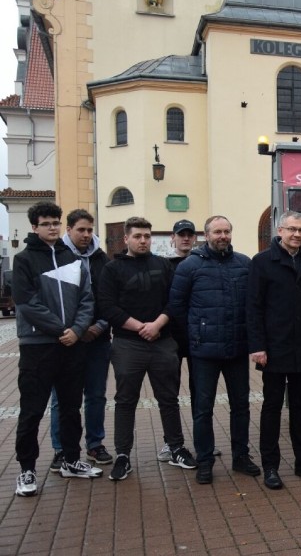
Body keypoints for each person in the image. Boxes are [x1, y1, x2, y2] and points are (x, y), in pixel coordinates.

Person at [13, 202, 101, 496]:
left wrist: (76, 331)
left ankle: (72, 460)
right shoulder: (24, 259)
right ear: (34, 227)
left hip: (71, 346)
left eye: (55, 222)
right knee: (32, 411)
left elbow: (87, 298)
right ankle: (26, 470)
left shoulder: (72, 259)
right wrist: (60, 329)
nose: (52, 227)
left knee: (70, 408)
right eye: (46, 223)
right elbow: (26, 303)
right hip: (38, 346)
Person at [99, 217, 197, 481]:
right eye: (138, 236)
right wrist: (140, 327)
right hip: (127, 343)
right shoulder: (112, 269)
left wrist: (157, 325)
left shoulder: (163, 265)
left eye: (147, 236)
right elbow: (108, 307)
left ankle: (176, 447)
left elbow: (174, 301)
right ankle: (123, 455)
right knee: (125, 400)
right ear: (126, 239)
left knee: (168, 399)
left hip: (162, 342)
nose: (143, 240)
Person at [169, 216, 260, 485]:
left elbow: (254, 306)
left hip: (236, 349)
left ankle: (241, 457)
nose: (223, 236)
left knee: (241, 407)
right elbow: (177, 307)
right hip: (204, 352)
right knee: (202, 409)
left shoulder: (244, 263)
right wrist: (195, 336)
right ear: (206, 235)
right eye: (217, 231)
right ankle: (205, 461)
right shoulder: (190, 266)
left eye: (227, 231)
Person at [248, 212, 301, 489]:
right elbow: (254, 308)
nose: (297, 234)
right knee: (271, 408)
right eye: (292, 229)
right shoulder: (262, 262)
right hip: (273, 348)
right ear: (280, 230)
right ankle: (270, 466)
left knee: (299, 406)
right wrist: (257, 346)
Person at [47, 209, 113, 472]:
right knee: (60, 398)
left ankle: (95, 444)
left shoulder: (102, 259)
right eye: (81, 230)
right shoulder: (55, 257)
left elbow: (111, 299)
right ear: (69, 230)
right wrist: (72, 330)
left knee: (96, 395)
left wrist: (98, 326)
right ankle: (61, 449)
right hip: (66, 339)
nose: (86, 235)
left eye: (89, 230)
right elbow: (51, 299)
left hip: (97, 338)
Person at [156, 220, 223, 462]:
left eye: (189, 235)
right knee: (169, 393)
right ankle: (170, 442)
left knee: (201, 393)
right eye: (180, 235)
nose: (185, 239)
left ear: (196, 238)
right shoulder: (163, 265)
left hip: (198, 337)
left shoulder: (204, 261)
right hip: (171, 337)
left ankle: (202, 442)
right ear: (172, 238)